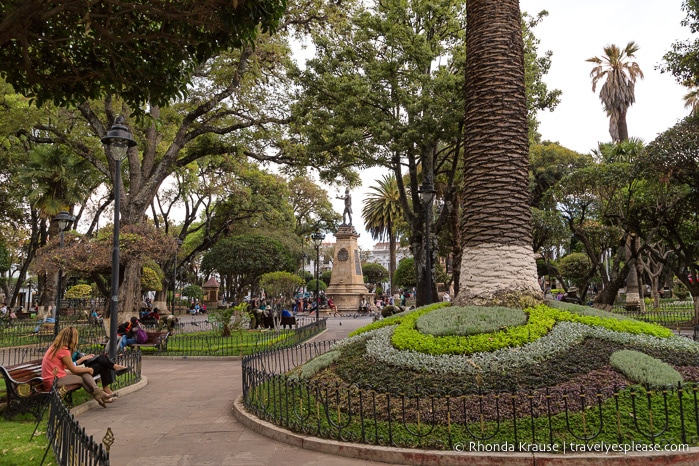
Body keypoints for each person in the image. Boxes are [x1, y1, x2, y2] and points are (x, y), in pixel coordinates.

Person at [41, 327, 113, 407]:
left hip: (56, 376)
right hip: (53, 380)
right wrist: (88, 369)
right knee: (80, 379)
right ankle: (99, 395)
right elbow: (73, 369)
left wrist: (85, 369)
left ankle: (99, 394)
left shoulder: (55, 347)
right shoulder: (63, 350)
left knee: (84, 373)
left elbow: (68, 367)